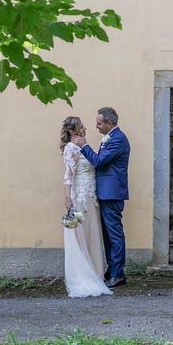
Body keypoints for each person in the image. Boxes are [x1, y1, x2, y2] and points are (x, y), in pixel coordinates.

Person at [72, 107, 130, 288]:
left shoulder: (118, 139)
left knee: (114, 234)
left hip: (112, 193)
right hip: (105, 193)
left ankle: (118, 273)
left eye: (99, 123)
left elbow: (99, 161)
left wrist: (84, 145)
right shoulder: (111, 138)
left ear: (109, 123)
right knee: (108, 235)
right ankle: (112, 270)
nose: (96, 126)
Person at [60, 116, 112, 298]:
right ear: (73, 131)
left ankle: (96, 272)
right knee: (81, 235)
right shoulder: (70, 148)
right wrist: (67, 198)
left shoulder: (83, 146)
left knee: (92, 233)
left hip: (91, 196)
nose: (85, 129)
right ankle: (83, 275)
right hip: (80, 196)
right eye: (81, 127)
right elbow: (68, 175)